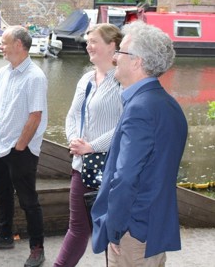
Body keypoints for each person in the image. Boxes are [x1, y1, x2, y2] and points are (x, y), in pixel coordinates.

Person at [91, 21, 188, 266]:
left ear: (137, 61)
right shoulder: (168, 105)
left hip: (133, 234)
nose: (115, 59)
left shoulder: (139, 109)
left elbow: (125, 177)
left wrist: (114, 228)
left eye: (120, 52)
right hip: (153, 228)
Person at [0, 25, 48, 267]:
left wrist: (20, 146)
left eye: (4, 42)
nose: (1, 47)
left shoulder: (35, 76)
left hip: (21, 150)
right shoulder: (2, 73)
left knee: (29, 201)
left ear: (19, 45)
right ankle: (4, 235)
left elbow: (35, 116)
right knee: (3, 194)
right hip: (0, 145)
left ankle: (37, 248)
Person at [53, 24, 123, 267]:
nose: (88, 46)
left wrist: (92, 145)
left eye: (93, 41)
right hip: (82, 166)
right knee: (78, 228)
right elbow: (72, 115)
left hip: (112, 169)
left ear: (112, 45)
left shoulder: (122, 82)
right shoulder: (86, 79)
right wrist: (74, 140)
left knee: (112, 231)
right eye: (87, 41)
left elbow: (126, 126)